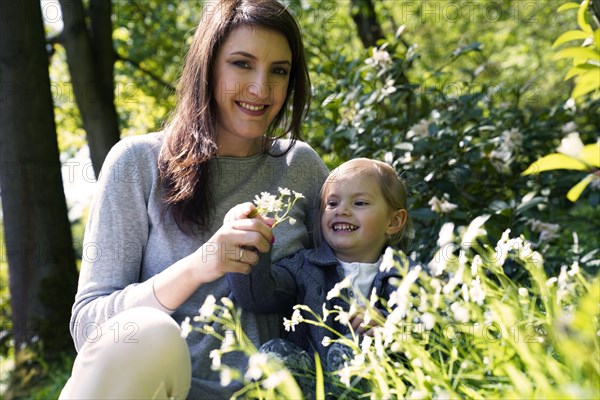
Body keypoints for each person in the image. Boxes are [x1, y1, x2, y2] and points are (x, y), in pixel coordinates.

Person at [59, 1, 328, 399]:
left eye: (279, 71)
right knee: (150, 333)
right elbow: (89, 328)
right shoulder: (138, 163)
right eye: (241, 63)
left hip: (271, 391)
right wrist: (201, 264)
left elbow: (345, 275)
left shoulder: (300, 166)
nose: (261, 88)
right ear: (208, 66)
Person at [228, 158, 415, 393]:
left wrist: (390, 325)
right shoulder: (304, 266)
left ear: (394, 221)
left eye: (359, 202)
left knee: (353, 350)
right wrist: (253, 245)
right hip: (311, 384)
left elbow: (431, 328)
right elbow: (258, 296)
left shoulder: (407, 276)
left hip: (374, 385)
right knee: (272, 354)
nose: (342, 211)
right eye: (332, 203)